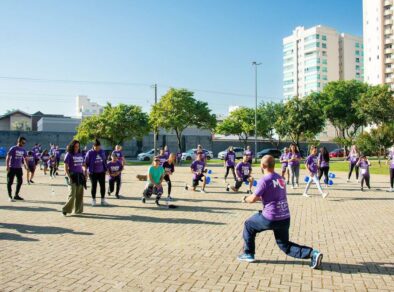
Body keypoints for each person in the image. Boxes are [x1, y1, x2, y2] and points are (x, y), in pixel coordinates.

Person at [237, 155, 323, 269]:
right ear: (274, 165)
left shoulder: (264, 179)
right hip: (284, 217)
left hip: (270, 217)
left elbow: (253, 198)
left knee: (249, 225)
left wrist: (245, 199)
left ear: (262, 166)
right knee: (284, 245)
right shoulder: (280, 178)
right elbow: (270, 195)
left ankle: (248, 253)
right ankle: (313, 254)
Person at [62, 139, 85, 216]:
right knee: (72, 194)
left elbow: (82, 165)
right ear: (72, 146)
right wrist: (69, 177)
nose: (76, 148)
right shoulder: (69, 154)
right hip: (72, 175)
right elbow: (65, 167)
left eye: (78, 146)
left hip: (80, 175)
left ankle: (78, 210)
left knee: (79, 194)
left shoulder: (80, 154)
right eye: (75, 146)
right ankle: (66, 209)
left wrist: (85, 172)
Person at [84, 139, 108, 206]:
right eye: (96, 147)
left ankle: (103, 200)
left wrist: (106, 169)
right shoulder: (89, 152)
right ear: (93, 146)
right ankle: (93, 200)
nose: (97, 149)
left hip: (101, 172)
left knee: (102, 186)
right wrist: (86, 171)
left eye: (98, 147)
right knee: (94, 186)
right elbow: (86, 162)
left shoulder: (102, 152)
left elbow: (104, 160)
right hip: (93, 173)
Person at [6, 137, 28, 201]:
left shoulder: (23, 150)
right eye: (23, 142)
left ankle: (16, 195)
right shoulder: (13, 148)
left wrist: (26, 165)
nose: (24, 144)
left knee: (20, 181)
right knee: (10, 182)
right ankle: (10, 196)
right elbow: (8, 156)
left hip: (19, 168)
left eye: (24, 143)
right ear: (19, 141)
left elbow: (25, 158)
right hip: (12, 167)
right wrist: (7, 166)